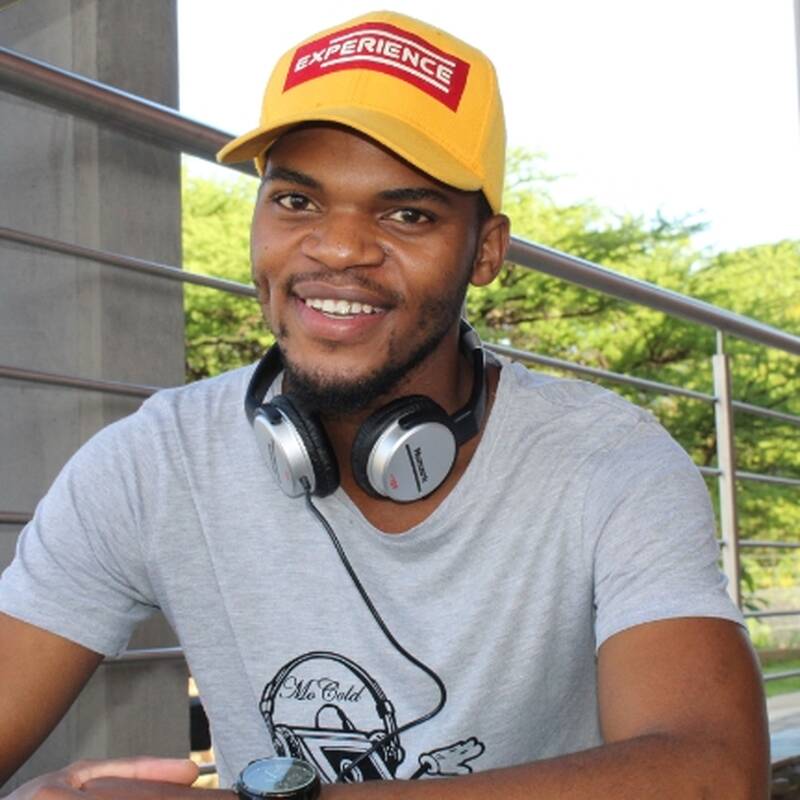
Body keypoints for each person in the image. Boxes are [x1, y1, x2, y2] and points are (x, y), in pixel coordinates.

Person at [0, 10, 768, 800]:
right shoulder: (155, 460)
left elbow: (712, 771)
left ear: (487, 250)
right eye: (296, 201)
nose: (338, 248)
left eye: (408, 215)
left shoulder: (610, 461)